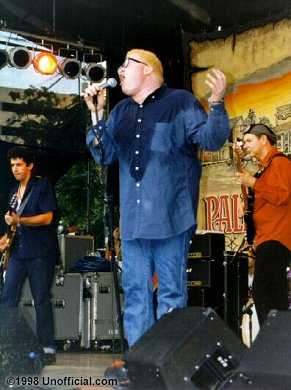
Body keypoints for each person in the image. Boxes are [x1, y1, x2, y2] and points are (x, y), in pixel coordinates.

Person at [84, 48, 230, 383]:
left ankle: (168, 364)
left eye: (125, 64)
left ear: (147, 69)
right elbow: (103, 155)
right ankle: (140, 366)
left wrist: (218, 103)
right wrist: (96, 116)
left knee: (171, 295)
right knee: (135, 293)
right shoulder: (119, 111)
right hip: (134, 223)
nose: (119, 70)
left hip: (171, 218)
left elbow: (211, 139)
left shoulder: (180, 102)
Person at [0, 146, 59, 364]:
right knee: (8, 297)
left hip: (41, 252)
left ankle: (48, 347)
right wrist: (5, 240)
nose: (15, 169)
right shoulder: (13, 192)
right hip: (18, 252)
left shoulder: (42, 185)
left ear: (30, 165)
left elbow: (47, 218)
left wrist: (19, 221)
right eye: (12, 165)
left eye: (19, 164)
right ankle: (6, 343)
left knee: (41, 298)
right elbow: (14, 225)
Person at [235, 124, 291, 327]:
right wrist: (248, 205)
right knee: (270, 293)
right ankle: (278, 344)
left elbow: (281, 195)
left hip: (277, 237)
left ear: (264, 140)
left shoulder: (281, 163)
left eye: (249, 140)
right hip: (267, 238)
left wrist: (254, 184)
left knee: (265, 291)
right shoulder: (264, 170)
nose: (246, 145)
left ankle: (277, 344)